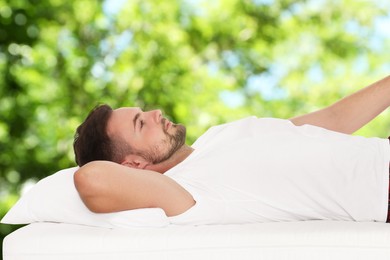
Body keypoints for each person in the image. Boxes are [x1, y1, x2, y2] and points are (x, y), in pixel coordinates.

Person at [73, 75, 390, 225]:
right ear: (133, 165)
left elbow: (331, 120)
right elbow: (92, 179)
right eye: (141, 124)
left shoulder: (219, 136)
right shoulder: (184, 192)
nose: (155, 113)